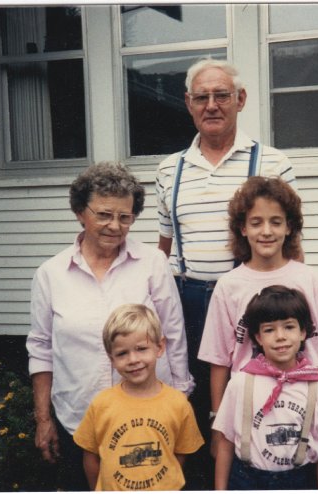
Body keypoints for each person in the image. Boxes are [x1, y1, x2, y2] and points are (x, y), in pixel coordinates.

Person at [154, 58, 298, 487]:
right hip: (189, 300)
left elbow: (291, 245)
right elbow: (164, 247)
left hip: (254, 297)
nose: (212, 105)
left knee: (257, 393)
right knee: (195, 396)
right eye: (202, 97)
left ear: (241, 100)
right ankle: (200, 481)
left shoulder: (273, 163)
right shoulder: (168, 169)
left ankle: (254, 477)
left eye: (221, 95)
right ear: (188, 103)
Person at [27, 162, 193, 490]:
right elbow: (41, 348)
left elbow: (173, 335)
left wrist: (180, 400)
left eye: (125, 217)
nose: (114, 226)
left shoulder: (152, 263)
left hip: (147, 420)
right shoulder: (50, 274)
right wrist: (43, 419)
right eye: (104, 214)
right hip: (79, 417)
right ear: (79, 211)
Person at [199, 176, 318, 462]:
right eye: (256, 222)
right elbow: (219, 361)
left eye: (276, 222)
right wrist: (219, 428)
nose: (266, 231)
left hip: (305, 410)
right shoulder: (229, 286)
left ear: (289, 227)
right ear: (242, 228)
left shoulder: (309, 279)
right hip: (249, 413)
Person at [213, 285, 318, 490]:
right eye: (269, 329)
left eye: (289, 327)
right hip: (247, 480)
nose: (280, 336)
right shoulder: (241, 383)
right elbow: (225, 443)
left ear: (303, 332)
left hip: (299, 481)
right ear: (259, 338)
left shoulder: (316, 388)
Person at [74, 304, 204, 491]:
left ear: (159, 347)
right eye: (122, 353)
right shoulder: (101, 404)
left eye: (141, 349)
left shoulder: (178, 403)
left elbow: (180, 453)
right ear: (112, 359)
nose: (133, 359)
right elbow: (90, 456)